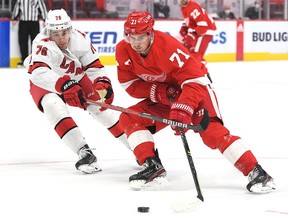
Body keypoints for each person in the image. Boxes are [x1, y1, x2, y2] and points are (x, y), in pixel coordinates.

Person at [115, 11, 276, 193]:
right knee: (130, 117)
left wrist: (183, 109)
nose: (135, 43)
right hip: (167, 97)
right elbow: (129, 84)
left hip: (196, 91)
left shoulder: (168, 47)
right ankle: (152, 167)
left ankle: (257, 172)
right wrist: (160, 92)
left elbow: (195, 81)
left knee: (212, 133)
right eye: (131, 37)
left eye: (141, 37)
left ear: (150, 33)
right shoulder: (123, 50)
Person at [25, 9, 129, 174]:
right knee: (52, 105)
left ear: (70, 29)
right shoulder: (41, 42)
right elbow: (39, 72)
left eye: (64, 33)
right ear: (48, 31)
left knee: (100, 108)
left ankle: (138, 147)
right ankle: (84, 152)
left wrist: (101, 83)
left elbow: (94, 67)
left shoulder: (80, 39)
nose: (61, 38)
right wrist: (64, 85)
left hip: (75, 77)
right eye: (56, 34)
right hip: (46, 82)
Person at [12, 0, 48, 67]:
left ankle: (33, 59)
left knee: (35, 41)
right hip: (23, 22)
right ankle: (24, 60)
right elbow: (17, 8)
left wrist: (45, 19)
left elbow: (42, 8)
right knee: (22, 41)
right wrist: (14, 18)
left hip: (34, 22)